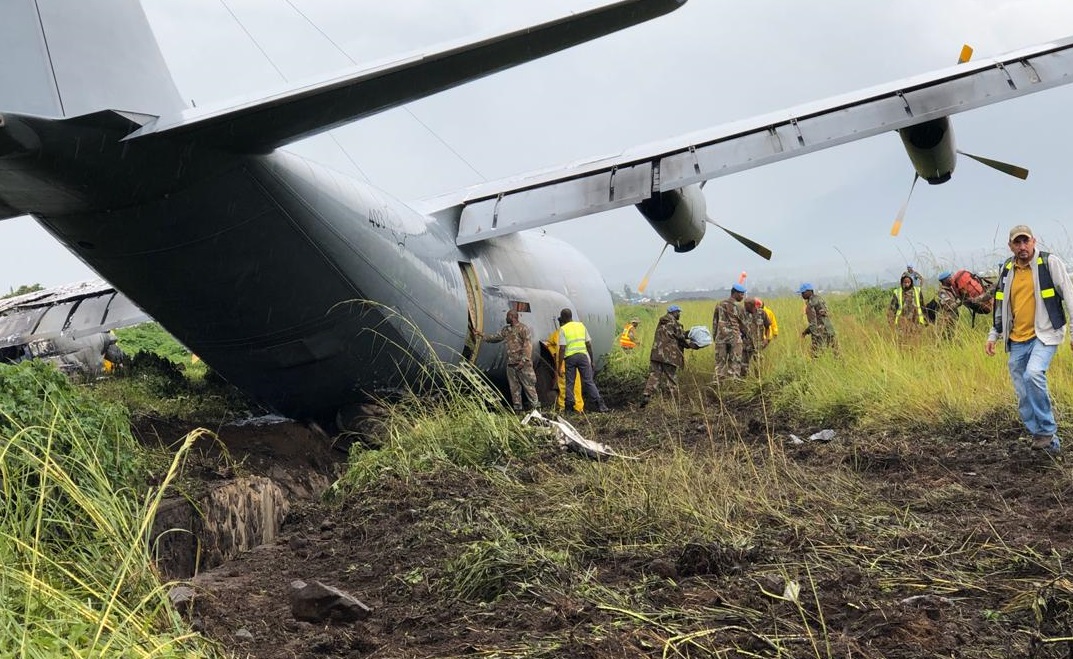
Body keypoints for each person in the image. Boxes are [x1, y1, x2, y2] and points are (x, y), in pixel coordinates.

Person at [985, 224, 1073, 455]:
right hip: (1017, 339)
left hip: (1044, 334)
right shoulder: (1007, 269)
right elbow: (1000, 305)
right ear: (1011, 245)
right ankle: (1046, 440)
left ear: (1034, 241)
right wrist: (994, 334)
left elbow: (1070, 297)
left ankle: (1045, 429)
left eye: (1026, 241)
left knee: (1033, 374)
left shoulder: (1049, 263)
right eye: (1017, 242)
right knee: (1023, 391)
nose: (1022, 247)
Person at [479, 310, 540, 412]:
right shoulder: (507, 330)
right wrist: (481, 335)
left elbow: (528, 345)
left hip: (523, 365)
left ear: (512, 317)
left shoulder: (523, 329)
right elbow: (495, 338)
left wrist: (523, 361)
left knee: (529, 387)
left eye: (507, 316)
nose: (506, 318)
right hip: (511, 364)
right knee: (514, 388)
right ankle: (518, 410)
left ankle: (536, 410)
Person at [640, 305, 699, 406]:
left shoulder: (662, 322)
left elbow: (672, 334)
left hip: (656, 354)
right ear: (674, 312)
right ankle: (676, 401)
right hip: (669, 355)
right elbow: (680, 338)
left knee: (654, 375)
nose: (679, 314)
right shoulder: (674, 323)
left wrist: (685, 333)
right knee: (671, 377)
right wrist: (692, 345)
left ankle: (647, 394)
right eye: (678, 312)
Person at [555, 308, 610, 413]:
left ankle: (569, 408)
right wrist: (592, 360)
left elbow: (562, 348)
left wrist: (560, 364)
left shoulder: (563, 329)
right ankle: (601, 405)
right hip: (583, 357)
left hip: (570, 358)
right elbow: (588, 344)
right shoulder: (581, 326)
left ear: (562, 318)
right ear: (571, 316)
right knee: (589, 381)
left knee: (570, 383)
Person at [712, 283, 747, 381]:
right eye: (741, 294)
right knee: (735, 363)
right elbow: (744, 324)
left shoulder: (719, 304)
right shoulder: (739, 307)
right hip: (734, 338)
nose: (742, 296)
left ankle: (718, 385)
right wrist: (746, 336)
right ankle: (733, 385)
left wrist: (715, 337)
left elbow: (715, 322)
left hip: (721, 338)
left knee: (720, 364)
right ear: (734, 293)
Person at [544, 327, 583, 413]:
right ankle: (576, 407)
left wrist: (555, 354)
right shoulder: (574, 331)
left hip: (564, 364)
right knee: (573, 386)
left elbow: (549, 344)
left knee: (565, 387)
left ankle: (565, 407)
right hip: (570, 364)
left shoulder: (557, 333)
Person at [798, 283, 836, 356]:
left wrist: (806, 333)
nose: (802, 295)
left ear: (809, 292)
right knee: (836, 352)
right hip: (830, 329)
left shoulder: (810, 304)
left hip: (820, 332)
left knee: (816, 354)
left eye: (803, 293)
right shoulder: (820, 299)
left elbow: (813, 323)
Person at [740, 297, 769, 376]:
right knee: (743, 367)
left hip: (758, 344)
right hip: (746, 345)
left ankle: (759, 383)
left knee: (759, 367)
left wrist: (766, 339)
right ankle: (743, 384)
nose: (745, 307)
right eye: (744, 305)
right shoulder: (741, 314)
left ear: (752, 305)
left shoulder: (762, 313)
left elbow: (767, 327)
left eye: (747, 306)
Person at [934, 271, 962, 340]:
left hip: (953, 319)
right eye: (949, 278)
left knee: (951, 338)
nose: (951, 279)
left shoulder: (950, 290)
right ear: (944, 280)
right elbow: (948, 307)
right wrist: (960, 301)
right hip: (947, 321)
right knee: (945, 338)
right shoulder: (942, 292)